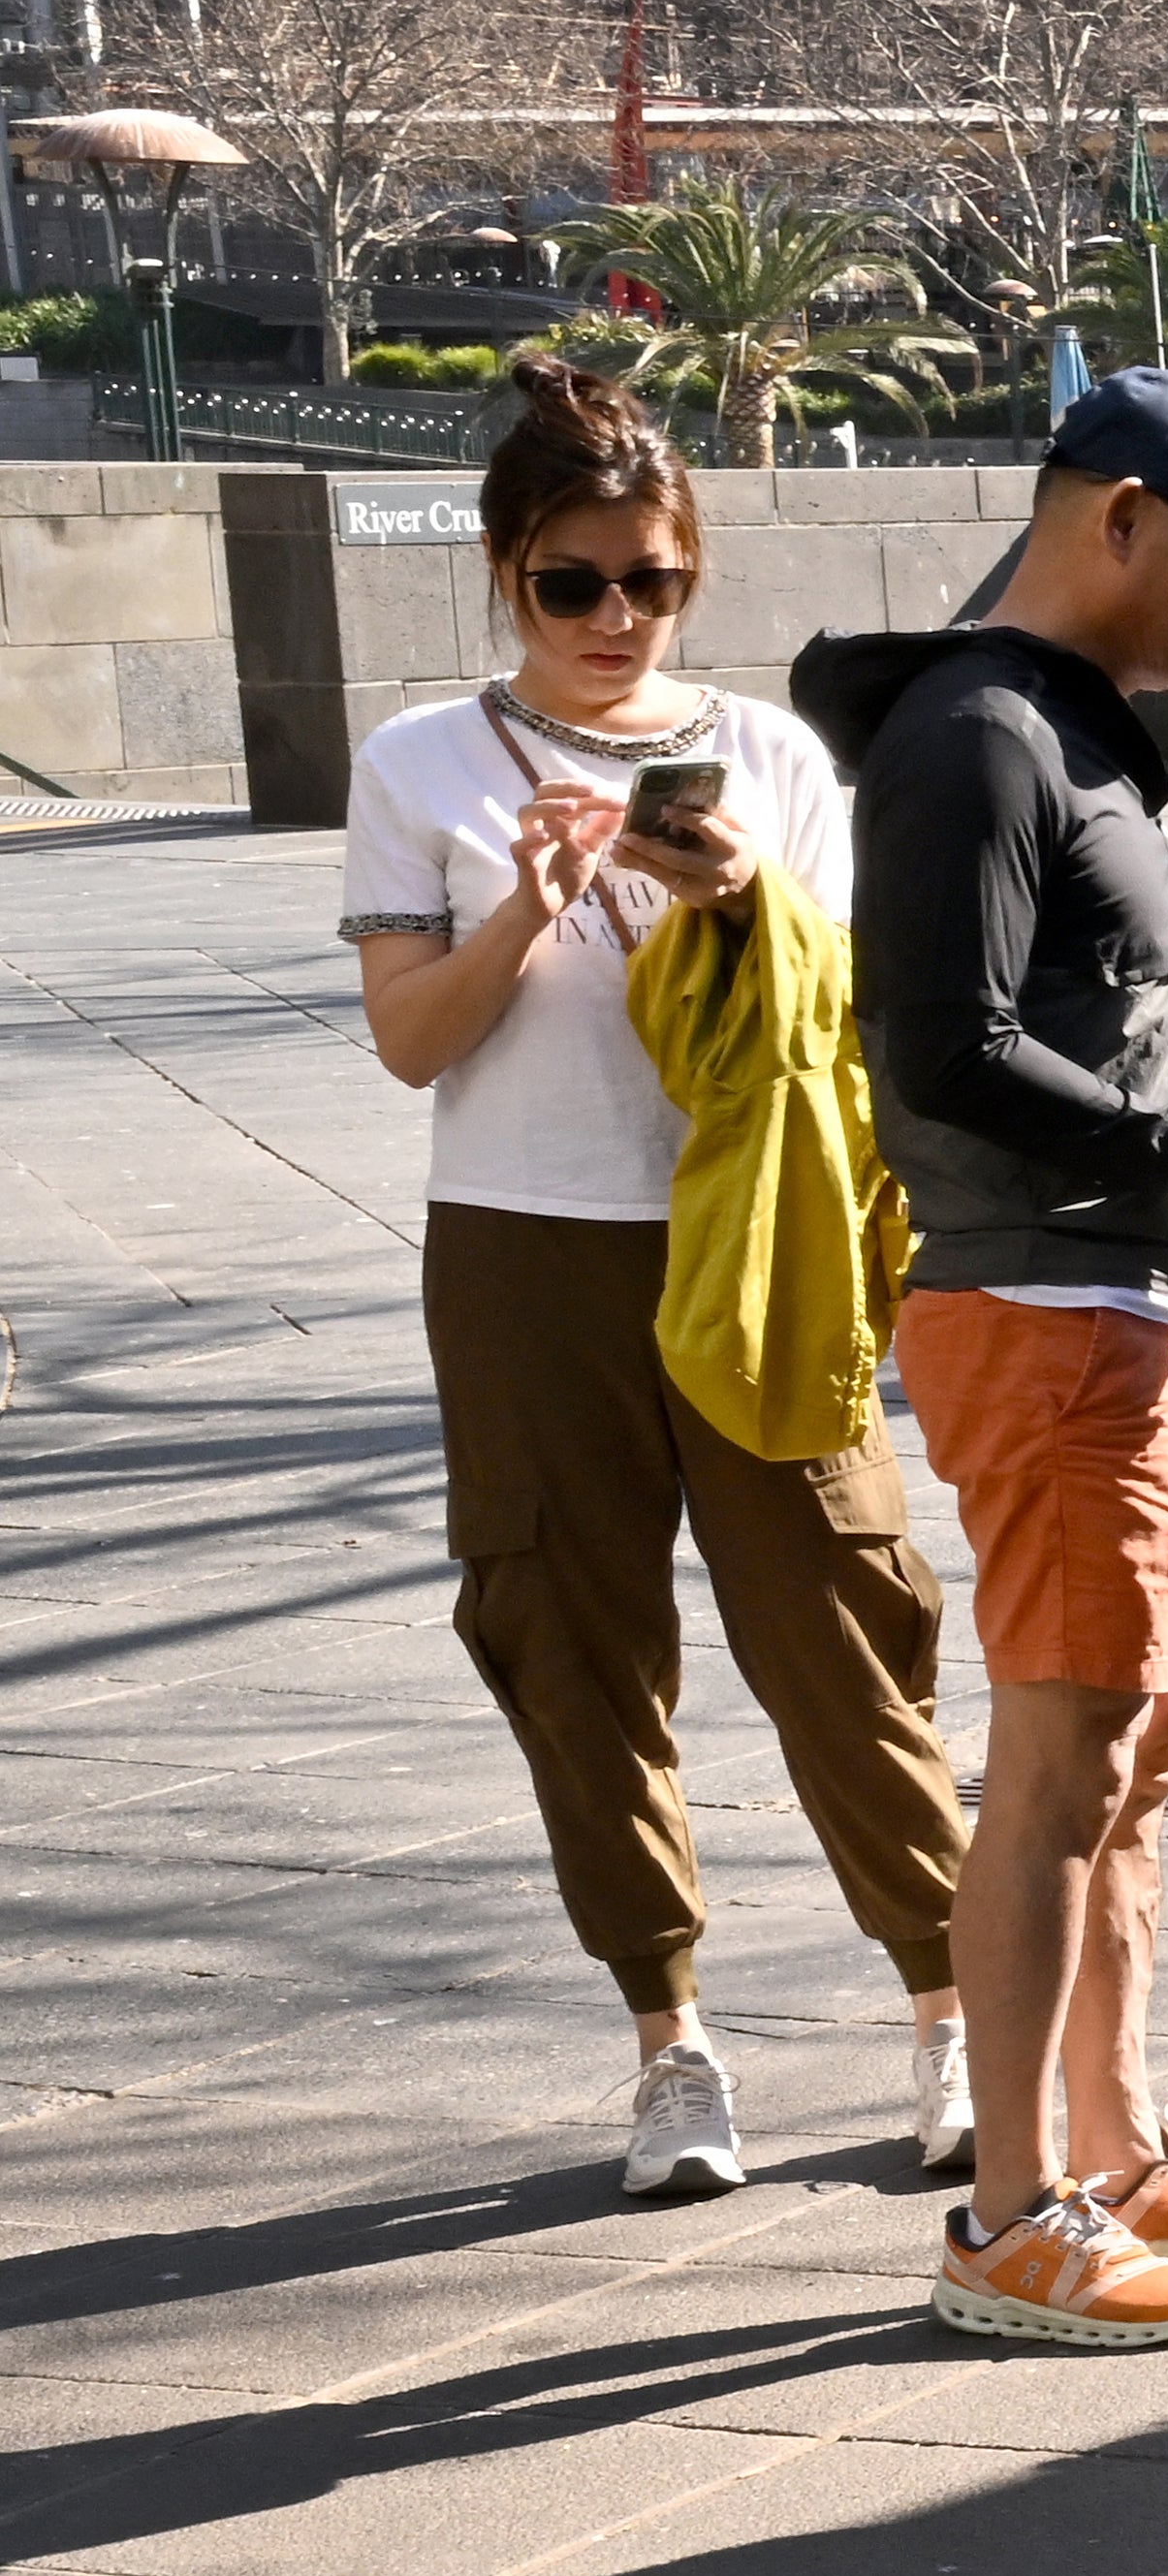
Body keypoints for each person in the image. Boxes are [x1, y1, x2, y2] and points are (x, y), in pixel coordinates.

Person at [794, 367, 1168, 2351]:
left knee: (1131, 1762)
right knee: (1060, 1763)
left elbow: (1096, 1021)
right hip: (1058, 1315)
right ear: (1118, 517)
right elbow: (947, 1054)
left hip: (1149, 1304)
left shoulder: (1066, 731)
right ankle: (1010, 2214)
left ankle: (1121, 2148)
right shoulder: (972, 736)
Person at [339, 355, 975, 2204]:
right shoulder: (420, 767)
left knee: (838, 1615)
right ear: (504, 568)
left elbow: (848, 1019)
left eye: (655, 583)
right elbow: (407, 1043)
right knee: (569, 1632)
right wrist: (531, 904)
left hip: (753, 1234)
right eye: (574, 583)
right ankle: (670, 2040)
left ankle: (949, 2013)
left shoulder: (772, 760)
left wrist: (732, 902)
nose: (617, 619)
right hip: (527, 1250)